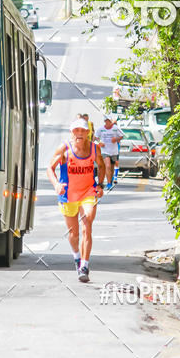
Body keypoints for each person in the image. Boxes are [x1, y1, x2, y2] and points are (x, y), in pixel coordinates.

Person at [46, 118, 105, 282]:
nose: (79, 133)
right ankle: (77, 258)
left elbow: (101, 166)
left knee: (87, 225)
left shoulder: (94, 149)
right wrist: (57, 184)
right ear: (71, 132)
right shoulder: (64, 149)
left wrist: (100, 185)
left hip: (88, 192)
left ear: (88, 133)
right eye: (76, 131)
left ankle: (85, 266)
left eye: (83, 131)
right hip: (68, 194)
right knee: (74, 233)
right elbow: (50, 168)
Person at [97, 115, 123, 190]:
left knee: (111, 167)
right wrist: (99, 142)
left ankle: (110, 180)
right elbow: (95, 137)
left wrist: (116, 139)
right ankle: (108, 183)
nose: (108, 122)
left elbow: (121, 136)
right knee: (107, 165)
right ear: (105, 121)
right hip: (105, 151)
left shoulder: (116, 128)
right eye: (106, 121)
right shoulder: (100, 129)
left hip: (114, 151)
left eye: (109, 121)